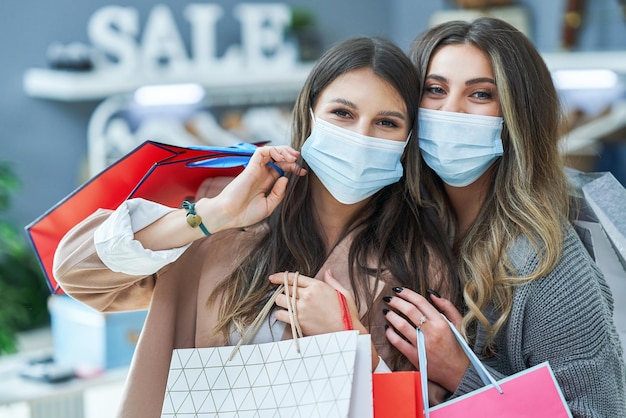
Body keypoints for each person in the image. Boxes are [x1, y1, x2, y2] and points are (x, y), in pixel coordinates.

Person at [53, 36, 459, 417]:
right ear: (310, 114)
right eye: (342, 113)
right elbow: (78, 270)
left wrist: (352, 341)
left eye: (386, 123)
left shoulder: (421, 261)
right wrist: (216, 215)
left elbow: (420, 408)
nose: (361, 136)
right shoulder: (221, 203)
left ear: (408, 139)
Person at [382, 17, 626, 417]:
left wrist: (463, 373)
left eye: (479, 94)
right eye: (435, 90)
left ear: (515, 115)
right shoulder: (410, 228)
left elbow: (598, 411)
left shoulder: (547, 268)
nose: (451, 110)